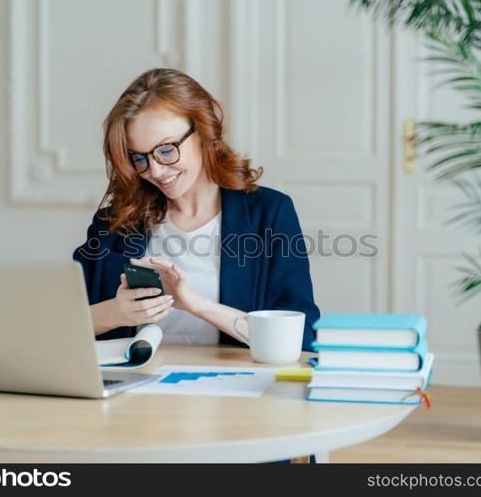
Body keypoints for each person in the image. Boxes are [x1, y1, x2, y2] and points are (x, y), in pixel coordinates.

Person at [72, 68, 320, 462]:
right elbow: (58, 328)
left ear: (203, 130)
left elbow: (301, 339)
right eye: (139, 158)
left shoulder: (268, 213)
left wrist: (197, 304)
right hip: (129, 423)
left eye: (167, 149)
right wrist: (113, 313)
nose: (155, 170)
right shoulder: (115, 221)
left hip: (240, 418)